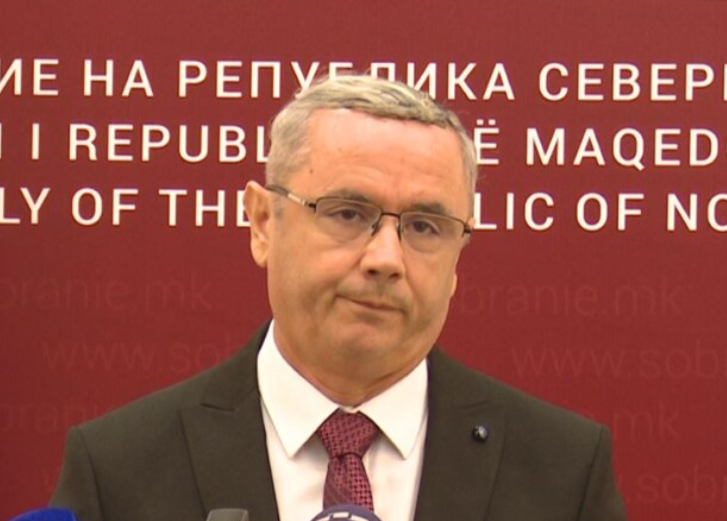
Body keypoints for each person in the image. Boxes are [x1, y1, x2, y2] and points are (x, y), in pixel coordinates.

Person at [50, 75, 627, 521]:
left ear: (459, 255)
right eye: (348, 213)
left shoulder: (563, 471)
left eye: (424, 226)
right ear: (263, 223)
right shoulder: (119, 469)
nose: (386, 258)